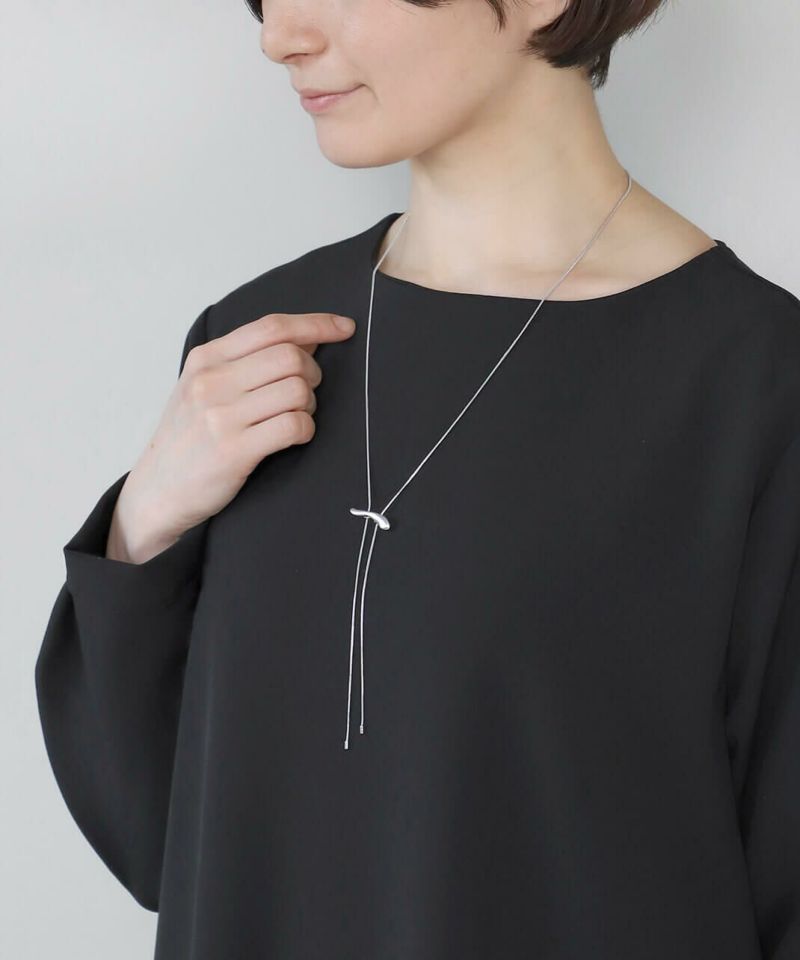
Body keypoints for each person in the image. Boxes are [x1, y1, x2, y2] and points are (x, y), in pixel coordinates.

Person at [35, 0, 800, 957]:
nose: (279, 35)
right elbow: (161, 841)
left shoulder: (752, 387)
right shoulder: (251, 344)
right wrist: (143, 525)